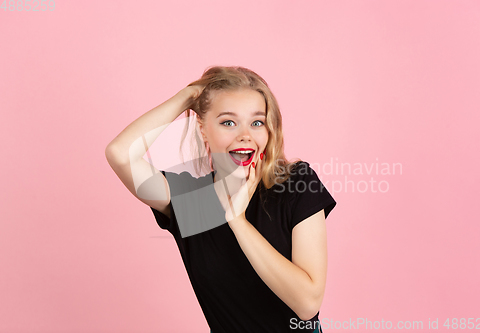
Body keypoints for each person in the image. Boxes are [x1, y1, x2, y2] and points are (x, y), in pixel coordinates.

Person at [105, 66, 337, 333]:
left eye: (257, 122)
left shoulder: (295, 184)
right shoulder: (193, 202)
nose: (245, 135)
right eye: (228, 122)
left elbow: (307, 304)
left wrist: (237, 221)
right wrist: (189, 95)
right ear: (203, 130)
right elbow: (120, 153)